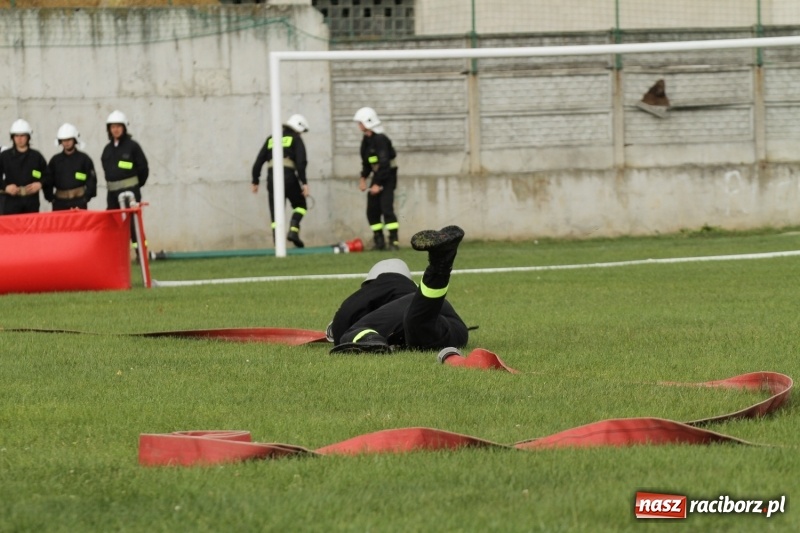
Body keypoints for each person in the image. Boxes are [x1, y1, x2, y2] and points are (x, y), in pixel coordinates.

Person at [328, 225, 468, 354]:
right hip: (454, 329)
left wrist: (335, 330)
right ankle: (443, 260)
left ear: (369, 281)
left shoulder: (379, 285)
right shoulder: (411, 289)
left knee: (350, 334)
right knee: (419, 327)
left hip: (419, 316)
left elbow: (344, 316)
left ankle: (440, 262)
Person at [251, 114, 310, 248]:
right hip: (288, 176)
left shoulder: (271, 139)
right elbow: (301, 162)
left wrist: (255, 180)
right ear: (298, 128)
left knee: (276, 212)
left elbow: (258, 162)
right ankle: (293, 231)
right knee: (300, 205)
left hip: (272, 178)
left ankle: (277, 243)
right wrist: (304, 183)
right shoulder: (296, 139)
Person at [353, 107, 400, 251]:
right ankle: (379, 240)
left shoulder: (381, 139)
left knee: (386, 209)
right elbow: (367, 163)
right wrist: (363, 178)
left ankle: (393, 241)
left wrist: (378, 184)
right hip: (377, 176)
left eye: (360, 122)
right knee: (372, 210)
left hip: (387, 177)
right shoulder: (366, 141)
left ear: (368, 122)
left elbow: (385, 164)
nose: (359, 125)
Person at [101, 110, 149, 246]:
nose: (115, 130)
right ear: (109, 129)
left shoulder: (132, 146)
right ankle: (115, 256)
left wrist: (135, 186)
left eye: (118, 126)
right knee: (112, 223)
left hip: (130, 192)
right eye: (113, 127)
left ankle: (140, 252)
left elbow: (143, 168)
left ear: (124, 128)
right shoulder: (107, 149)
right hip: (112, 194)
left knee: (134, 225)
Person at [0, 119, 49, 215]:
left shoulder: (36, 156)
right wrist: (5, 187)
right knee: (13, 229)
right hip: (11, 201)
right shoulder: (4, 156)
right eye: (16, 136)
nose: (19, 139)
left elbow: (48, 175)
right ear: (12, 137)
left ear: (28, 137)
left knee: (32, 229)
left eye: (22, 135)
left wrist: (40, 184)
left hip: (31, 201)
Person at [44, 123, 97, 211]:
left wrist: (85, 198)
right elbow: (48, 181)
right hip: (59, 203)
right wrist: (51, 198)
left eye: (69, 139)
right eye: (64, 140)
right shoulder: (55, 160)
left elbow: (91, 180)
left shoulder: (84, 159)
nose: (66, 143)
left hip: (79, 202)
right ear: (60, 141)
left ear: (75, 140)